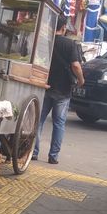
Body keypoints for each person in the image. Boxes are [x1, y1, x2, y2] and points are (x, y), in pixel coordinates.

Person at [33, 16, 85, 164]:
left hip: (45, 87)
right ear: (63, 28)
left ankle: (34, 152)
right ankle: (53, 156)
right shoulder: (70, 44)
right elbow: (75, 66)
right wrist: (81, 80)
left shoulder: (45, 42)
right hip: (63, 91)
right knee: (59, 123)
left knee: (39, 121)